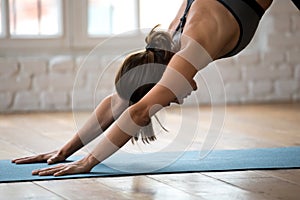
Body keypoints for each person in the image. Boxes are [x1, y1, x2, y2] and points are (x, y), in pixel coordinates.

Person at [12, 0, 275, 176]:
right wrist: (65, 151)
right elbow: (117, 102)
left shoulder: (187, 53)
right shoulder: (167, 45)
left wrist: (88, 161)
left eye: (164, 99)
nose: (171, 102)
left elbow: (138, 112)